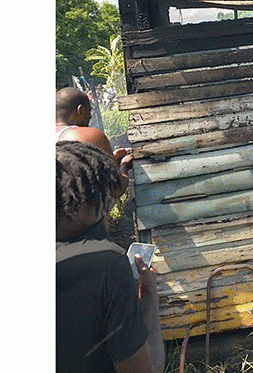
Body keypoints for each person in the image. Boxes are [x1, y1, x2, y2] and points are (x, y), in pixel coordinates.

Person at [56, 141, 165, 373]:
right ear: (76, 203)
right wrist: (149, 298)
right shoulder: (106, 265)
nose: (106, 206)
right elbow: (149, 369)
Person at [56, 87, 132, 200]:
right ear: (80, 110)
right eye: (89, 111)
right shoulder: (87, 135)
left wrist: (110, 160)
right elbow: (116, 188)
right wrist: (124, 165)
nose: (90, 116)